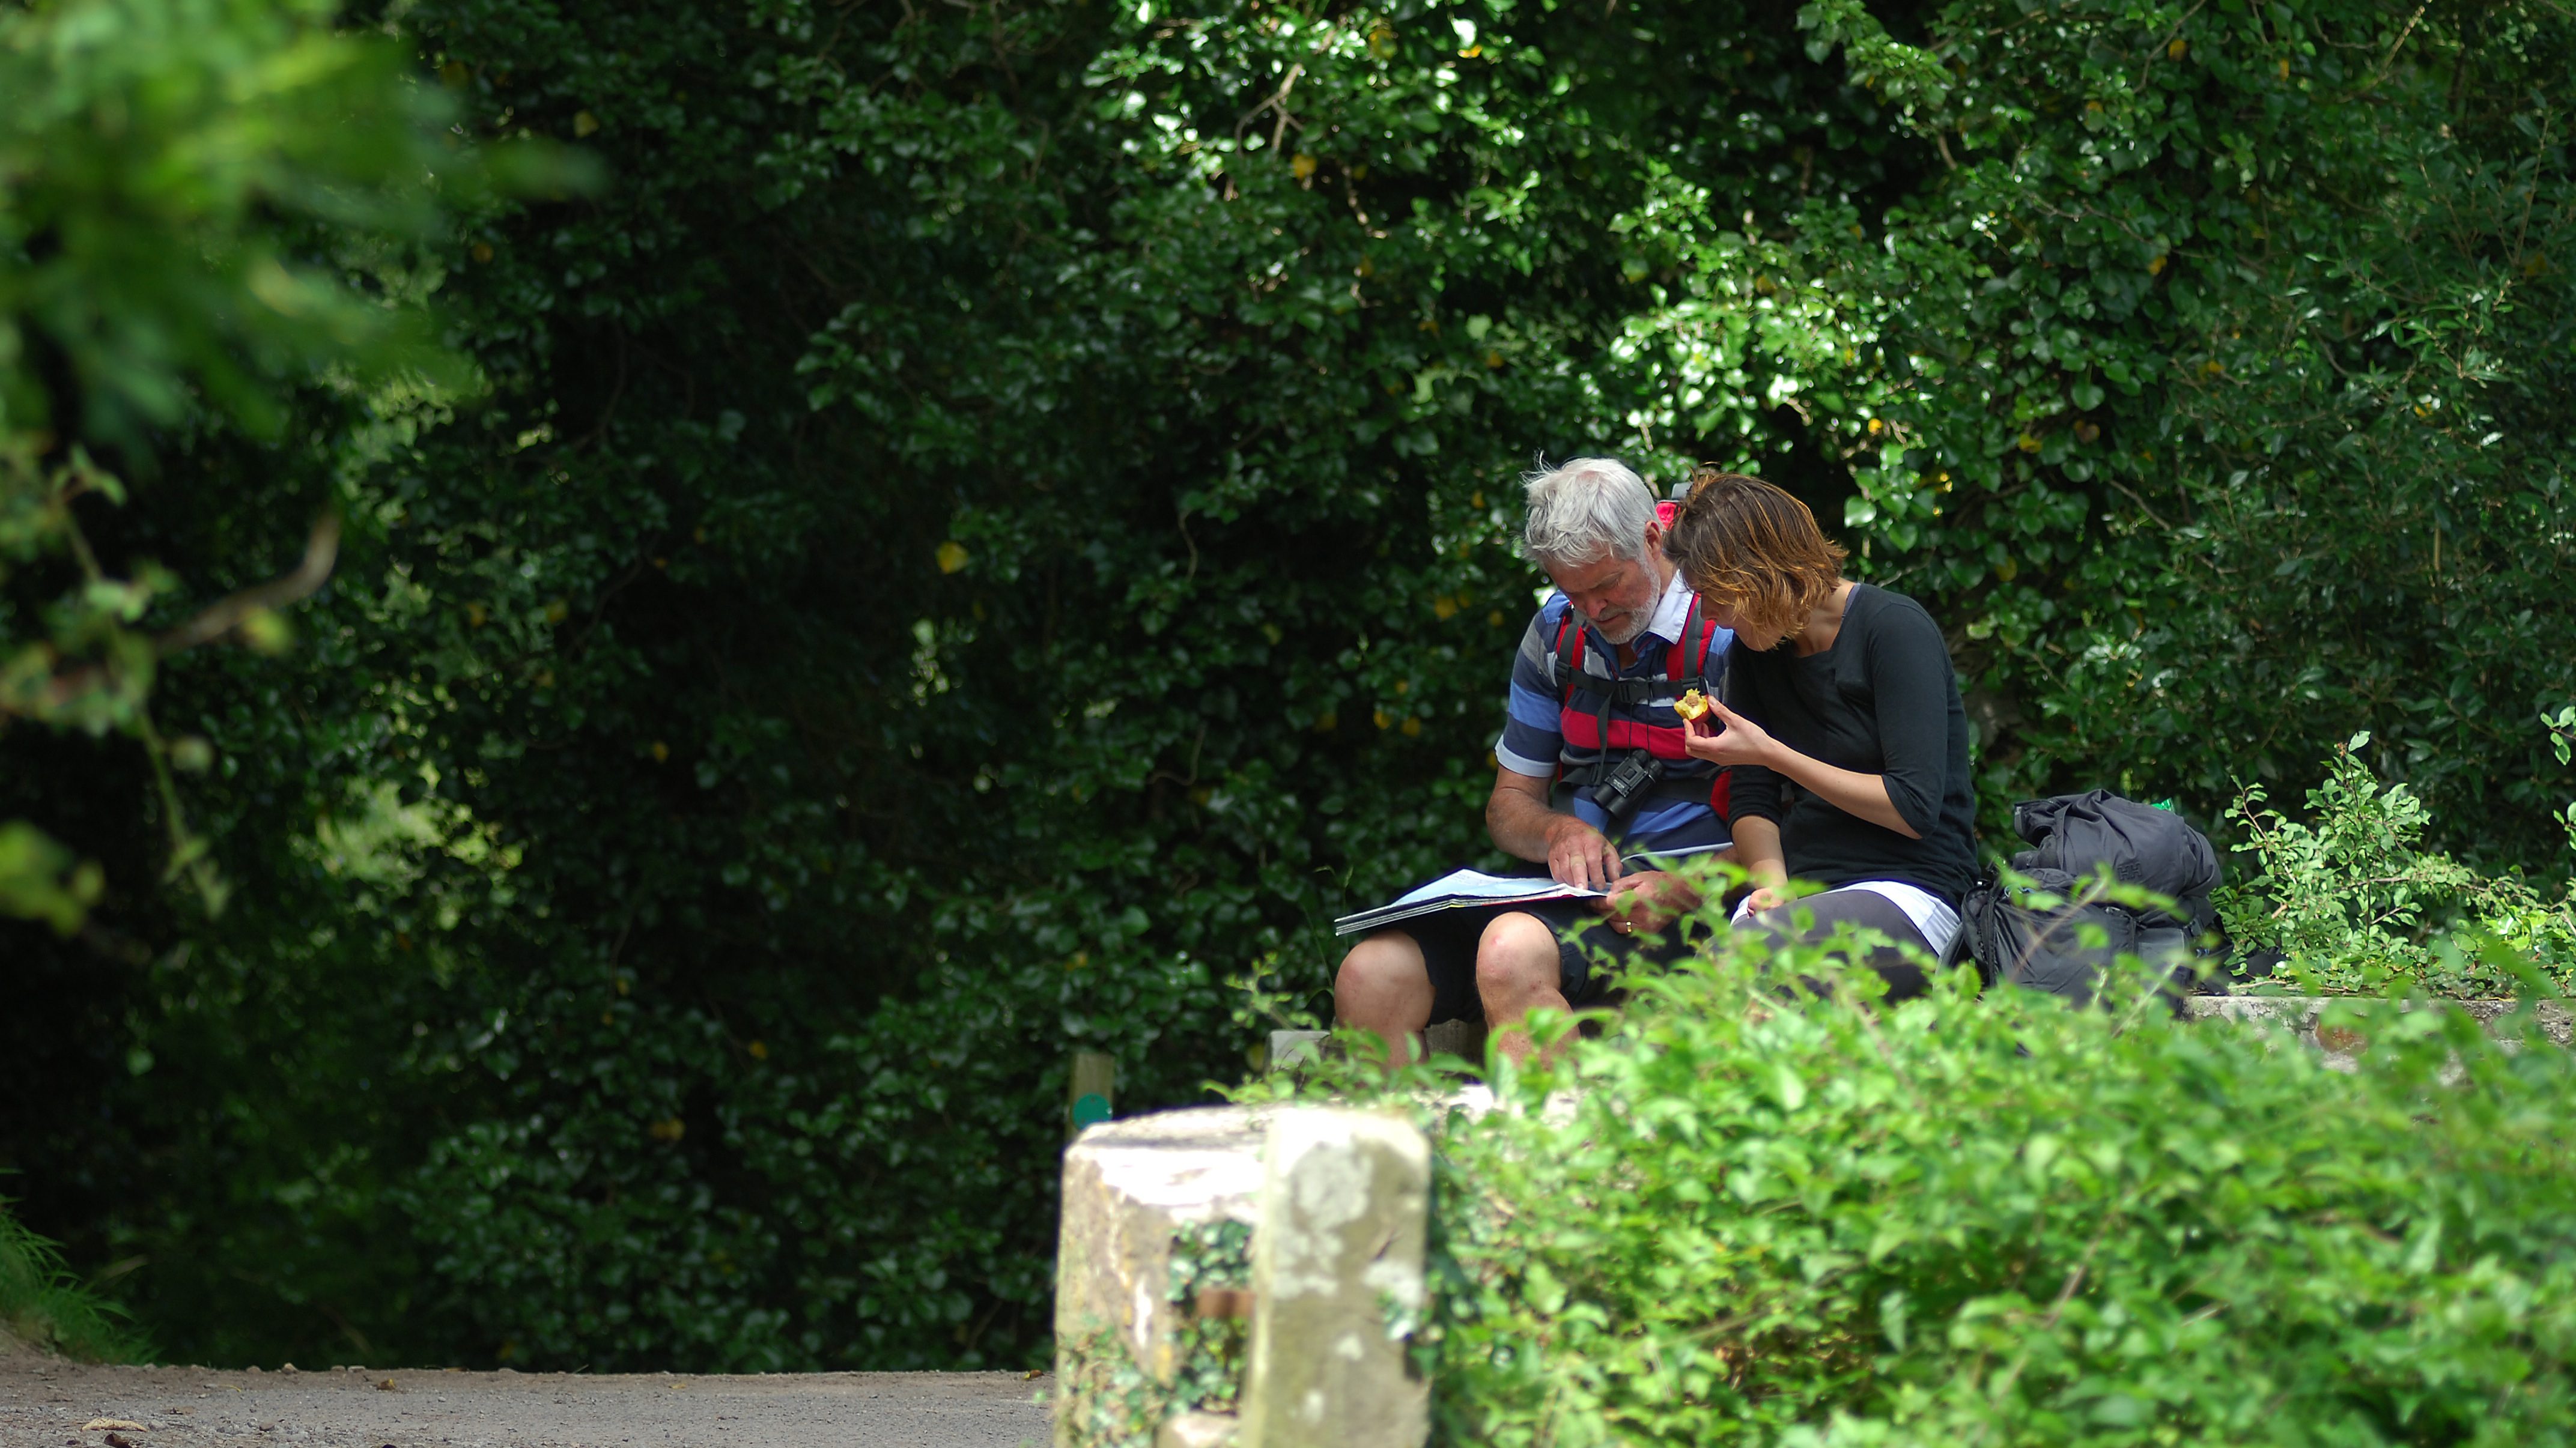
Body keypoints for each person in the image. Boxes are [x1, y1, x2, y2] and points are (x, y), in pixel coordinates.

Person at [1334, 458, 1735, 1065]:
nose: (1594, 610)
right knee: (1369, 975)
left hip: (1690, 901)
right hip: (1567, 901)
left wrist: (1689, 887)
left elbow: (1792, 816)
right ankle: (1408, 1159)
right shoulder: (1556, 631)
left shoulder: (1729, 626)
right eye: (1574, 593)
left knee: (1509, 949)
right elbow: (1508, 806)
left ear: (1651, 539)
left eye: (1607, 585)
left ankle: (1561, 1156)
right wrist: (1556, 829)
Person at [1663, 468, 1978, 994]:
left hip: (1914, 891)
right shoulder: (1757, 653)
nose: (1712, 618)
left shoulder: (1893, 629)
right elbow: (1752, 800)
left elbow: (1913, 807)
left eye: (1716, 596)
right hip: (1808, 892)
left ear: (1759, 573)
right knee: (1694, 987)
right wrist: (1773, 885)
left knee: (1743, 964)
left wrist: (1772, 754)